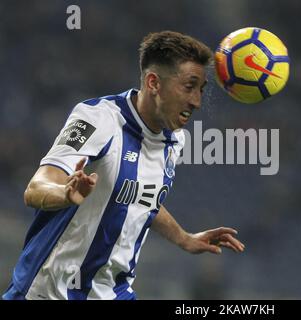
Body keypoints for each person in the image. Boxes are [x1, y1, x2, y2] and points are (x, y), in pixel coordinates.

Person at [3, 31, 245, 300]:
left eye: (201, 90)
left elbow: (141, 196)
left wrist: (184, 238)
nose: (196, 102)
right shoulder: (97, 119)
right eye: (189, 87)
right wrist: (65, 194)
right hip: (48, 292)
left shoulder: (175, 140)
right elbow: (35, 188)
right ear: (153, 82)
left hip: (113, 293)